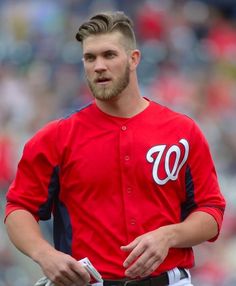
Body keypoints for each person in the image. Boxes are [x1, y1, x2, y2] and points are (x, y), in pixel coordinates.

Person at [4, 11, 226, 286]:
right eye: (89, 57)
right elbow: (18, 208)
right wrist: (45, 254)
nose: (98, 66)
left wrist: (169, 235)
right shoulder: (56, 137)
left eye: (109, 55)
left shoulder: (182, 131)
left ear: (134, 59)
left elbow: (211, 211)